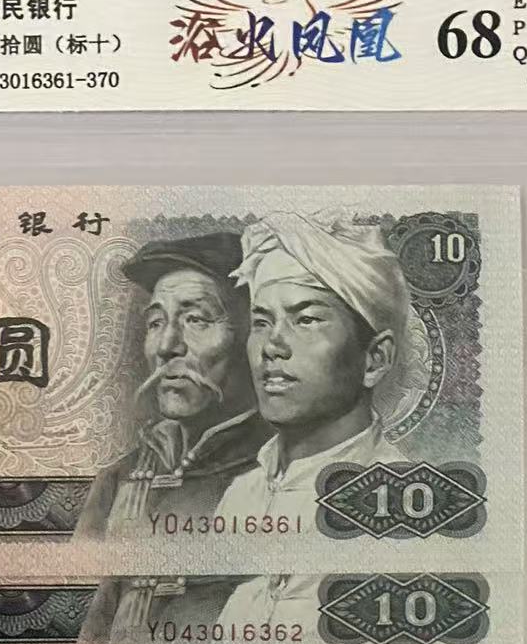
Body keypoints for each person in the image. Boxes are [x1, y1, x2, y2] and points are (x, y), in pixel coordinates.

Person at [218, 211, 419, 520]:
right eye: (261, 322)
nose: (271, 346)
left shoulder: (398, 500)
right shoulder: (240, 495)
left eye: (306, 320)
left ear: (375, 358)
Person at [83, 233, 264, 532]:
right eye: (156, 323)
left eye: (196, 320)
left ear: (252, 334)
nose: (166, 346)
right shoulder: (118, 478)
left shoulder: (283, 469)